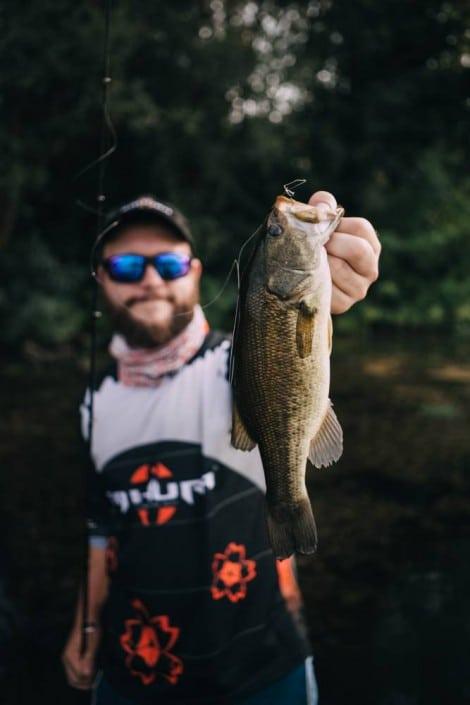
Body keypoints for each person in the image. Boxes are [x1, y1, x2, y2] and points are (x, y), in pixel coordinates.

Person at [62, 191, 381, 704]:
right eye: (124, 265)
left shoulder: (229, 369)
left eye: (168, 262)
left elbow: (291, 352)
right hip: (134, 668)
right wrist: (86, 624)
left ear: (195, 271)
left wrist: (338, 275)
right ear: (100, 278)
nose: (150, 279)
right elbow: (101, 527)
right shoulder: (94, 403)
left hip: (263, 668)